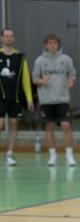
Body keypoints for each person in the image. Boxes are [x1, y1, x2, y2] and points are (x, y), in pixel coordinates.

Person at [32, 34, 77, 166]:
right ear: (46, 45)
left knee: (66, 125)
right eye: (50, 43)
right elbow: (34, 79)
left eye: (55, 43)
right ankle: (52, 156)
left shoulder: (66, 59)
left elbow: (72, 74)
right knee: (49, 126)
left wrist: (71, 80)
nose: (53, 45)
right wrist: (42, 80)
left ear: (58, 44)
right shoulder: (39, 60)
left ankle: (69, 155)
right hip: (46, 100)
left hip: (62, 98)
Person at [0, 28, 33, 166]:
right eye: (6, 36)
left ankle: (9, 154)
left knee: (13, 124)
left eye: (11, 36)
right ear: (2, 38)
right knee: (0, 124)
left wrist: (29, 98)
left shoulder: (20, 57)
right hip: (0, 97)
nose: (9, 38)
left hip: (15, 97)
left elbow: (25, 78)